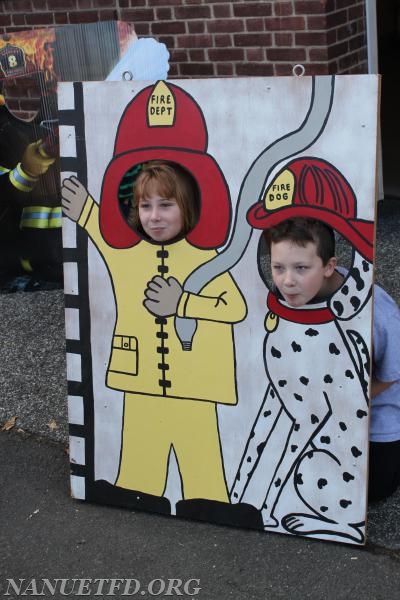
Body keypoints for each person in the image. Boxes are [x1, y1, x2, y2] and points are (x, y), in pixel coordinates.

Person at [62, 160, 264, 526]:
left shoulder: (206, 259)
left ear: (187, 209)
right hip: (139, 381)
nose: (154, 216)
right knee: (140, 456)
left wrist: (183, 303)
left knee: (200, 457)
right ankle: (136, 490)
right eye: (145, 206)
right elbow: (99, 228)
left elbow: (234, 307)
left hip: (194, 387)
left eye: (166, 205)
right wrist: (84, 206)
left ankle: (209, 500)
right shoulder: (126, 253)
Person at [265, 217, 400, 504]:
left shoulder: (375, 308)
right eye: (278, 267)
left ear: (328, 266)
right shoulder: (285, 293)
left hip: (375, 418)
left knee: (371, 493)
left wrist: (343, 403)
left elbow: (391, 374)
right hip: (314, 408)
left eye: (301, 268)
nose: (288, 280)